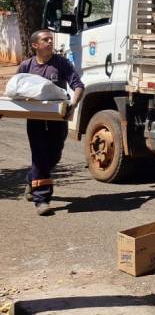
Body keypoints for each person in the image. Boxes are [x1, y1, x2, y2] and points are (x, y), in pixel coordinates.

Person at [20, 30, 84, 216]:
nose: (50, 42)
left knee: (53, 156)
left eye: (51, 39)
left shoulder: (61, 63)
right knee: (40, 156)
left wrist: (73, 103)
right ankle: (42, 199)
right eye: (45, 40)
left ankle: (32, 180)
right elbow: (15, 90)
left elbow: (78, 85)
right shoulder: (26, 66)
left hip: (58, 119)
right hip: (35, 119)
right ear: (35, 45)